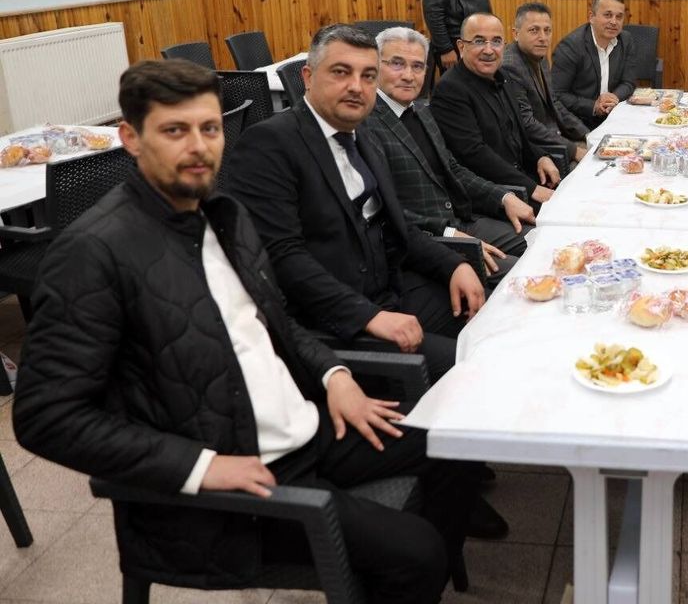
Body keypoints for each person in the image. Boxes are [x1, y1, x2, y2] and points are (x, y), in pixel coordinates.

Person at [13, 59, 481, 603]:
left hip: (304, 430)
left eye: (210, 128)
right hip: (231, 491)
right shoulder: (92, 253)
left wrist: (333, 375)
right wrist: (200, 467)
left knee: (460, 443)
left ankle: (402, 579)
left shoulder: (224, 215)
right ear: (131, 139)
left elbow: (275, 323)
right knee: (416, 552)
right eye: (175, 130)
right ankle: (405, 569)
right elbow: (45, 416)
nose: (198, 147)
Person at [222, 25, 485, 378]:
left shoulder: (362, 135)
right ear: (308, 77)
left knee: (498, 321)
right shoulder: (269, 144)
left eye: (368, 76)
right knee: (475, 368)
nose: (356, 87)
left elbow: (397, 226)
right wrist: (369, 316)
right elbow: (282, 259)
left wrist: (453, 265)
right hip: (334, 323)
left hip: (392, 291)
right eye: (341, 72)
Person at [362, 27, 535, 280]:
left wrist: (503, 197)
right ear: (375, 66)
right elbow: (387, 209)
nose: (408, 76)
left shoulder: (422, 110)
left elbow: (453, 169)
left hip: (461, 219)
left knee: (542, 240)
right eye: (397, 64)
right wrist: (450, 234)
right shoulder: (365, 122)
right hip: (428, 240)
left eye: (418, 66)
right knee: (524, 274)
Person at [431, 13, 561, 204]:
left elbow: (518, 136)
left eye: (497, 41)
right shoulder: (450, 89)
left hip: (521, 178)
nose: (489, 50)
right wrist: (531, 188)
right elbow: (473, 155)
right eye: (479, 41)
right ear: (461, 47)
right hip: (494, 194)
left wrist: (540, 157)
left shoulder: (504, 77)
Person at [502, 1, 591, 162]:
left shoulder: (540, 57)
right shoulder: (510, 66)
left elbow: (554, 103)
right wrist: (574, 150)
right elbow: (526, 123)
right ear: (516, 34)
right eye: (534, 30)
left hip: (556, 136)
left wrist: (588, 135)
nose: (543, 38)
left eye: (547, 30)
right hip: (535, 150)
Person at [550, 0, 637, 129]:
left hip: (615, 115)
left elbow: (628, 82)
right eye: (607, 15)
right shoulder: (570, 47)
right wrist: (594, 106)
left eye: (619, 17)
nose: (614, 22)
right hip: (579, 122)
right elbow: (557, 94)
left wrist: (613, 97)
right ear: (591, 17)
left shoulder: (626, 41)